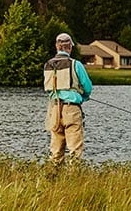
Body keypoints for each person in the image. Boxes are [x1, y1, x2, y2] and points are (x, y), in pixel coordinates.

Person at [44, 32, 92, 164]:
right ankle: (74, 179)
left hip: (54, 109)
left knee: (56, 151)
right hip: (71, 109)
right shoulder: (75, 64)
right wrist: (83, 97)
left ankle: (53, 178)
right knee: (75, 150)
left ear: (56, 46)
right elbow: (88, 87)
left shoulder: (48, 65)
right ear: (70, 47)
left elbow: (47, 88)